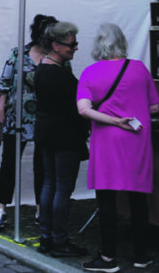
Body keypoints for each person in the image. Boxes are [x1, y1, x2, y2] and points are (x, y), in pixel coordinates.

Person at [77, 24, 159, 272]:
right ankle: (142, 255)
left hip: (107, 141)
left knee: (107, 201)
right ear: (122, 42)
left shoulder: (90, 72)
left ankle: (108, 258)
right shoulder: (139, 69)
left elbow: (83, 109)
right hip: (136, 139)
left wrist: (113, 119)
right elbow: (154, 107)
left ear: (99, 45)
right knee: (137, 200)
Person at [0, 14, 57, 227]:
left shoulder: (56, 57)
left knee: (42, 165)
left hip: (45, 117)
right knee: (9, 162)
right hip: (17, 117)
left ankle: (40, 209)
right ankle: (1, 208)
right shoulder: (18, 54)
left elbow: (64, 84)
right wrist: (0, 109)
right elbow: (4, 83)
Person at [34, 21, 89, 258]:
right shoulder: (59, 74)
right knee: (62, 189)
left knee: (49, 184)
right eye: (71, 44)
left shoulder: (42, 68)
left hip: (46, 132)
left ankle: (47, 237)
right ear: (56, 45)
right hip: (64, 135)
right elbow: (75, 107)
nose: (75, 48)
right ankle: (59, 241)